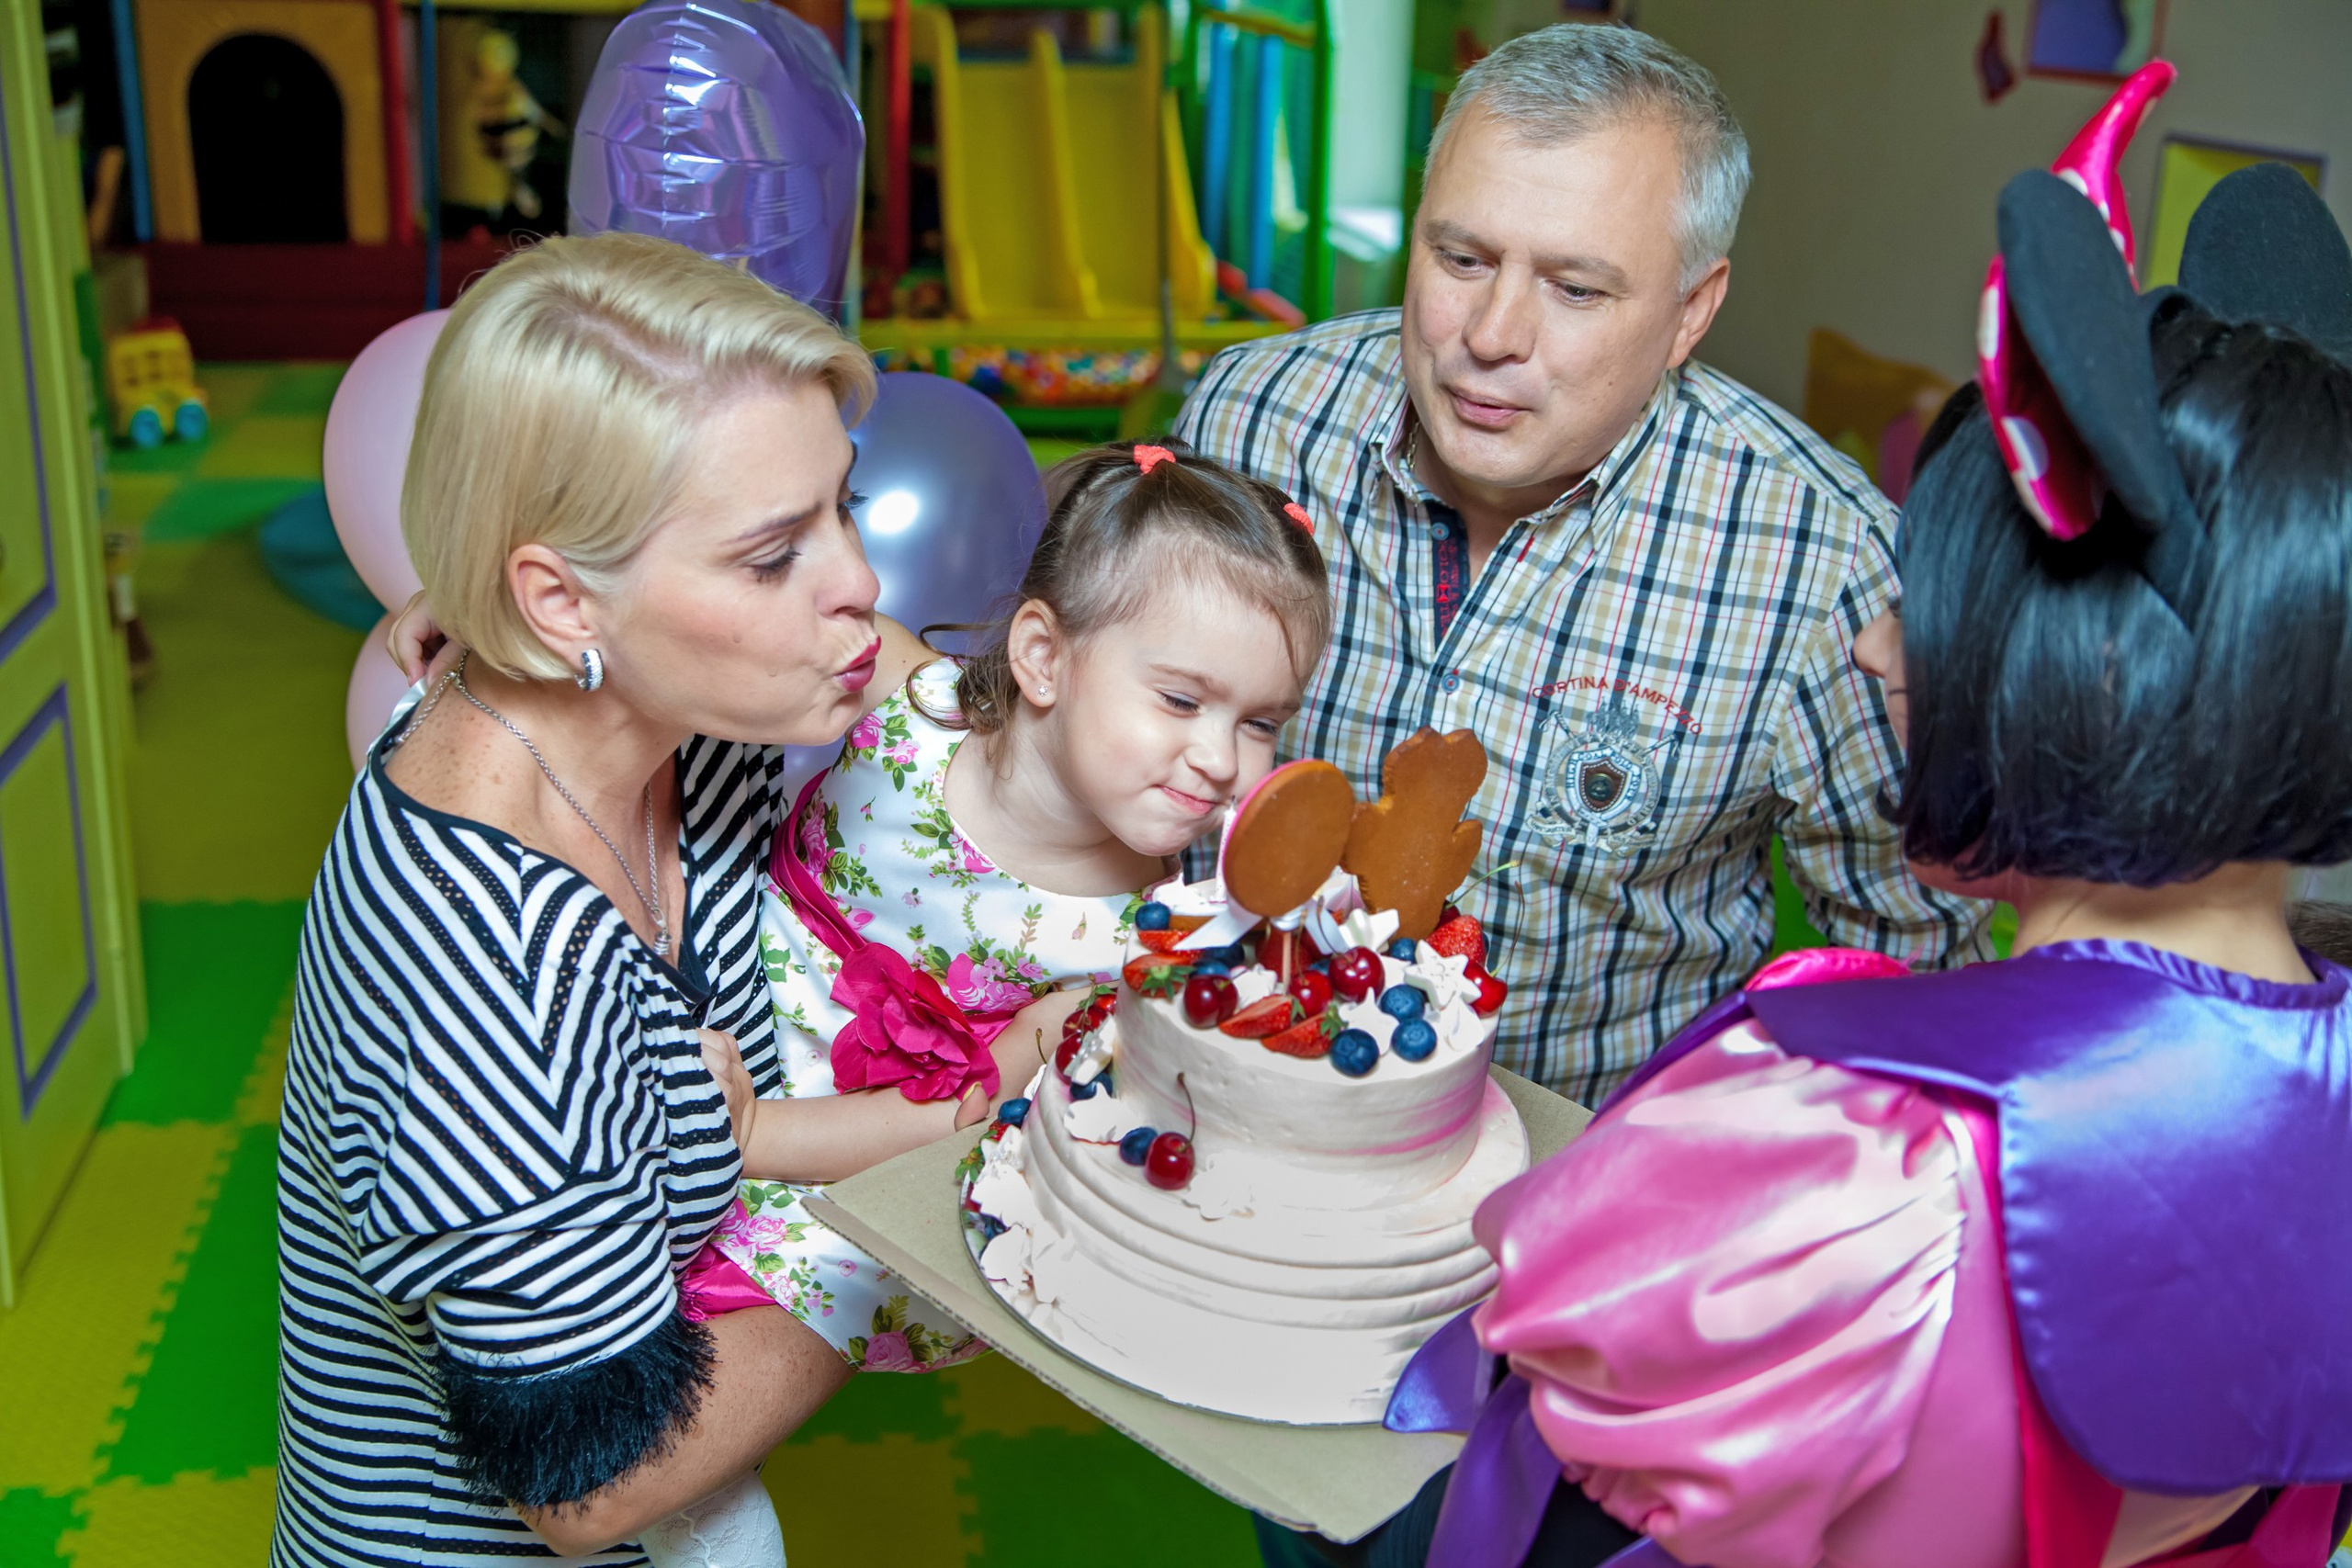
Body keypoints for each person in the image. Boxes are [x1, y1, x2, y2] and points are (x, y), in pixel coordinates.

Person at [1382, 73, 2352, 1568]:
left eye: (1923, 602)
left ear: (2077, 673)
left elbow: (1558, 1342)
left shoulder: (1863, 1168)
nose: (1875, 649)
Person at [273, 231, 1065, 1566]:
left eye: (844, 507)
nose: (859, 585)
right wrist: (927, 1227)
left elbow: (936, 704)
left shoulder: (680, 718)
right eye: (771, 557)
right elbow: (593, 1484)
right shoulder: (492, 969)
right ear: (561, 597)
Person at [1173, 23, 1989, 1105]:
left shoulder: (1823, 567)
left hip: (1570, 1199)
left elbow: (1911, 983)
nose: (1492, 334)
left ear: (1691, 312)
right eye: (1460, 259)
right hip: (1205, 1100)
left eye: (1576, 290)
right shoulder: (1252, 419)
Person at [660, 440, 1332, 1535]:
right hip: (727, 986)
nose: (1220, 759)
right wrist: (471, 634)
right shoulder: (912, 704)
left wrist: (755, 1138)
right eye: (1180, 698)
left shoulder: (1130, 958)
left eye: (1260, 721)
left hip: (855, 1144)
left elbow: (948, 1112)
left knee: (690, 1394)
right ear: (1043, 658)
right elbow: (729, 627)